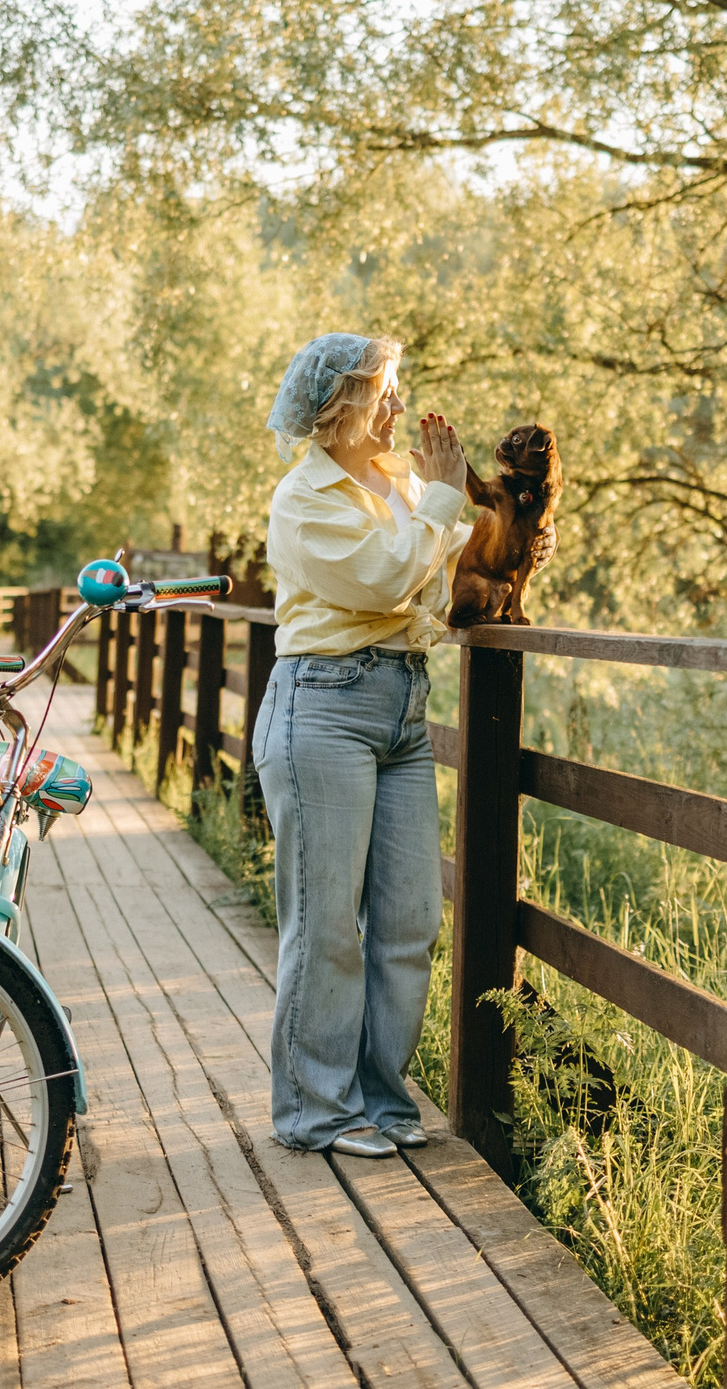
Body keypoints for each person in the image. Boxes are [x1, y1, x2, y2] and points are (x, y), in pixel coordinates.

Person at [256, 333, 471, 1157]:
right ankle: (315, 1108)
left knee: (410, 917)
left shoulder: (402, 484)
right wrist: (443, 505)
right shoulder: (301, 498)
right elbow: (387, 576)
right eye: (383, 389)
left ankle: (382, 1098)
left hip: (402, 707)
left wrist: (507, 543)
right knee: (326, 923)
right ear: (337, 405)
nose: (396, 403)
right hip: (325, 706)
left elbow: (436, 573)